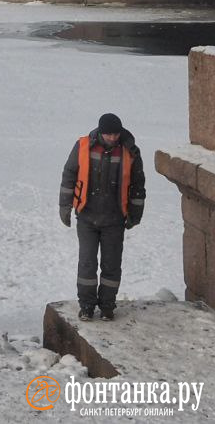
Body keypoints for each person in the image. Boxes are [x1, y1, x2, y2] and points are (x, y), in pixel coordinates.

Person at [59, 113, 146, 321]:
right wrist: (64, 206)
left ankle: (107, 306)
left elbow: (137, 185)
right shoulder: (82, 146)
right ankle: (87, 306)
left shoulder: (130, 151)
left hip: (114, 220)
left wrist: (135, 214)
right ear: (100, 132)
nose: (113, 138)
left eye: (116, 134)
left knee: (111, 264)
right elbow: (69, 175)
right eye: (108, 134)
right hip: (87, 217)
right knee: (87, 264)